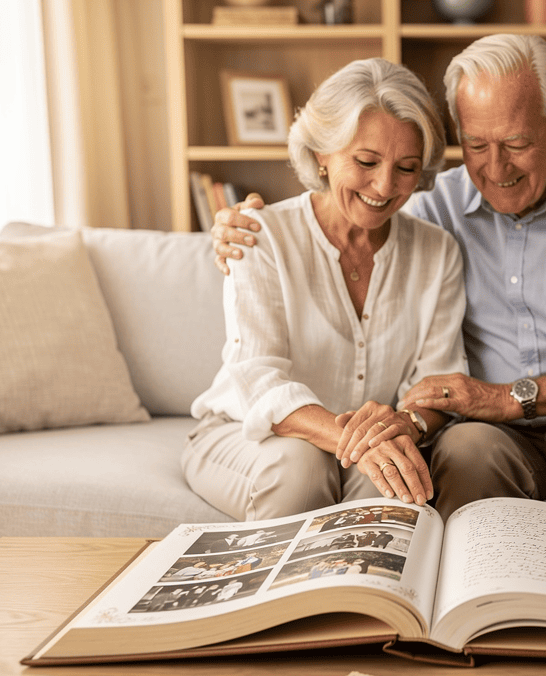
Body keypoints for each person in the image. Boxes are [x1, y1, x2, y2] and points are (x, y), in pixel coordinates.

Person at [212, 35, 546, 521]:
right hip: (489, 436)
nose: (496, 168)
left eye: (516, 143)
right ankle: (481, 606)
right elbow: (352, 201)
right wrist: (234, 227)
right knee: (463, 457)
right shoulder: (430, 205)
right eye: (476, 144)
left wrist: (507, 398)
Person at [184, 58, 467, 521]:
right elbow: (259, 379)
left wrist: (406, 425)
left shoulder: (438, 252)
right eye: (366, 162)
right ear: (321, 153)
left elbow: (436, 381)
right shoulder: (260, 235)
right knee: (302, 467)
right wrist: (353, 441)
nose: (384, 186)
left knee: (392, 487)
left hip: (368, 442)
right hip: (247, 433)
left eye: (406, 167)